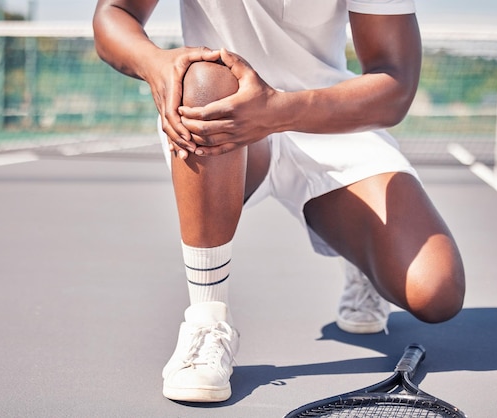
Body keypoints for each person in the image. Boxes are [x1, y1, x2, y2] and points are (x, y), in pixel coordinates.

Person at [92, 0, 466, 404]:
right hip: (224, 115)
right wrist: (156, 65)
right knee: (202, 82)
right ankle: (206, 321)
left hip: (325, 114)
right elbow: (114, 12)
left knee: (436, 292)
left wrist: (276, 111)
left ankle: (359, 258)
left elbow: (395, 82)